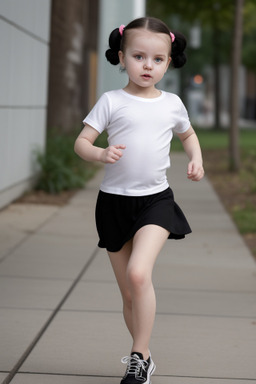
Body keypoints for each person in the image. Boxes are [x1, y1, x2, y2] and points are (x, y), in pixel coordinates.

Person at [74, 16, 204, 384]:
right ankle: (143, 353)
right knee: (130, 296)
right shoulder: (111, 101)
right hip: (113, 204)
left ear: (168, 61)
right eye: (139, 56)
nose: (148, 65)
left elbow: (189, 135)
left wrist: (196, 157)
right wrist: (100, 154)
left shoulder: (172, 104)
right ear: (121, 57)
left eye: (157, 59)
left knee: (138, 273)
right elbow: (81, 143)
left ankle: (137, 357)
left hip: (155, 202)